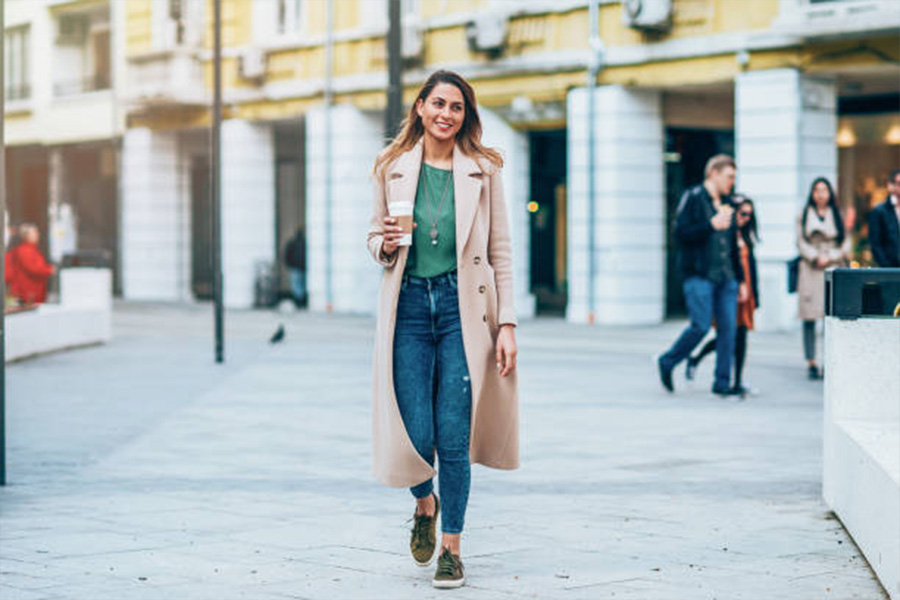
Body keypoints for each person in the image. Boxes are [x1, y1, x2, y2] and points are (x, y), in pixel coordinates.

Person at [367, 70, 518, 589]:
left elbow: (500, 253)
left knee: (453, 437)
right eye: (438, 104)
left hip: (463, 310)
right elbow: (374, 237)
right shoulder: (391, 168)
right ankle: (424, 503)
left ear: (465, 116)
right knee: (417, 433)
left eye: (456, 107)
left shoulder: (484, 170)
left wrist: (508, 325)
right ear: (419, 108)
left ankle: (452, 547)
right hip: (408, 306)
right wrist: (384, 243)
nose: (446, 114)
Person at [657, 154, 744, 398]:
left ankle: (722, 383)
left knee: (729, 330)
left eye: (734, 178)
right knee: (701, 326)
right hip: (699, 275)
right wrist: (710, 225)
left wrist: (741, 280)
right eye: (729, 177)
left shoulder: (728, 202)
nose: (732, 182)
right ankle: (668, 360)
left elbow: (733, 245)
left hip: (727, 277)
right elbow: (680, 233)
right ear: (713, 173)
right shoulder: (693, 198)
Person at [686, 196, 760, 396]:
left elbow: (750, 267)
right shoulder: (725, 233)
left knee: (740, 336)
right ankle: (702, 363)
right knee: (728, 336)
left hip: (745, 292)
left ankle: (736, 381)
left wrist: (754, 295)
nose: (745, 218)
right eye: (742, 213)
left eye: (749, 215)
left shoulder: (745, 234)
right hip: (731, 290)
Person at [797, 177, 851, 380]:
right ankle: (811, 360)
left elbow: (846, 243)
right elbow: (800, 242)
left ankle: (831, 358)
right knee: (809, 317)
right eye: (817, 190)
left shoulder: (838, 215)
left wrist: (831, 257)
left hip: (833, 266)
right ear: (812, 193)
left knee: (831, 316)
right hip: (811, 268)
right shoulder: (803, 215)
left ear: (830, 193)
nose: (820, 194)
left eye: (824, 190)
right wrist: (814, 256)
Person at [8, 223, 56, 305]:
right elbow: (33, 269)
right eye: (34, 232)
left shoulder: (32, 249)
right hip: (27, 294)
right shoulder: (24, 251)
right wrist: (50, 270)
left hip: (33, 293)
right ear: (26, 235)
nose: (37, 235)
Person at [868, 168, 900, 268]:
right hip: (890, 271)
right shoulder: (879, 211)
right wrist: (887, 268)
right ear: (891, 186)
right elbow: (875, 245)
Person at [283, 227, 307, 306]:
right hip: (300, 267)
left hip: (296, 267)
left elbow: (287, 255)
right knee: (300, 284)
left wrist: (288, 264)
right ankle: (300, 299)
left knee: (297, 284)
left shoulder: (292, 243)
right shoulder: (304, 243)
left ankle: (299, 299)